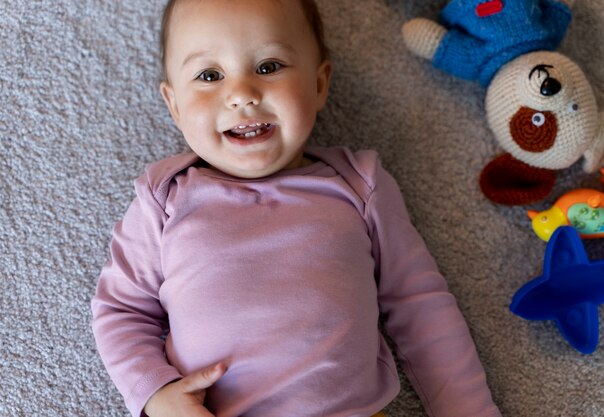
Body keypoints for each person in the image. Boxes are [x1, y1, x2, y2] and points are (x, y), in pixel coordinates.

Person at [91, 0, 502, 416]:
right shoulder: (164, 198)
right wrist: (154, 394)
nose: (242, 94)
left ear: (320, 83)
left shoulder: (359, 186)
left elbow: (421, 305)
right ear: (174, 104)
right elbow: (120, 309)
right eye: (209, 75)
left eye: (269, 66)